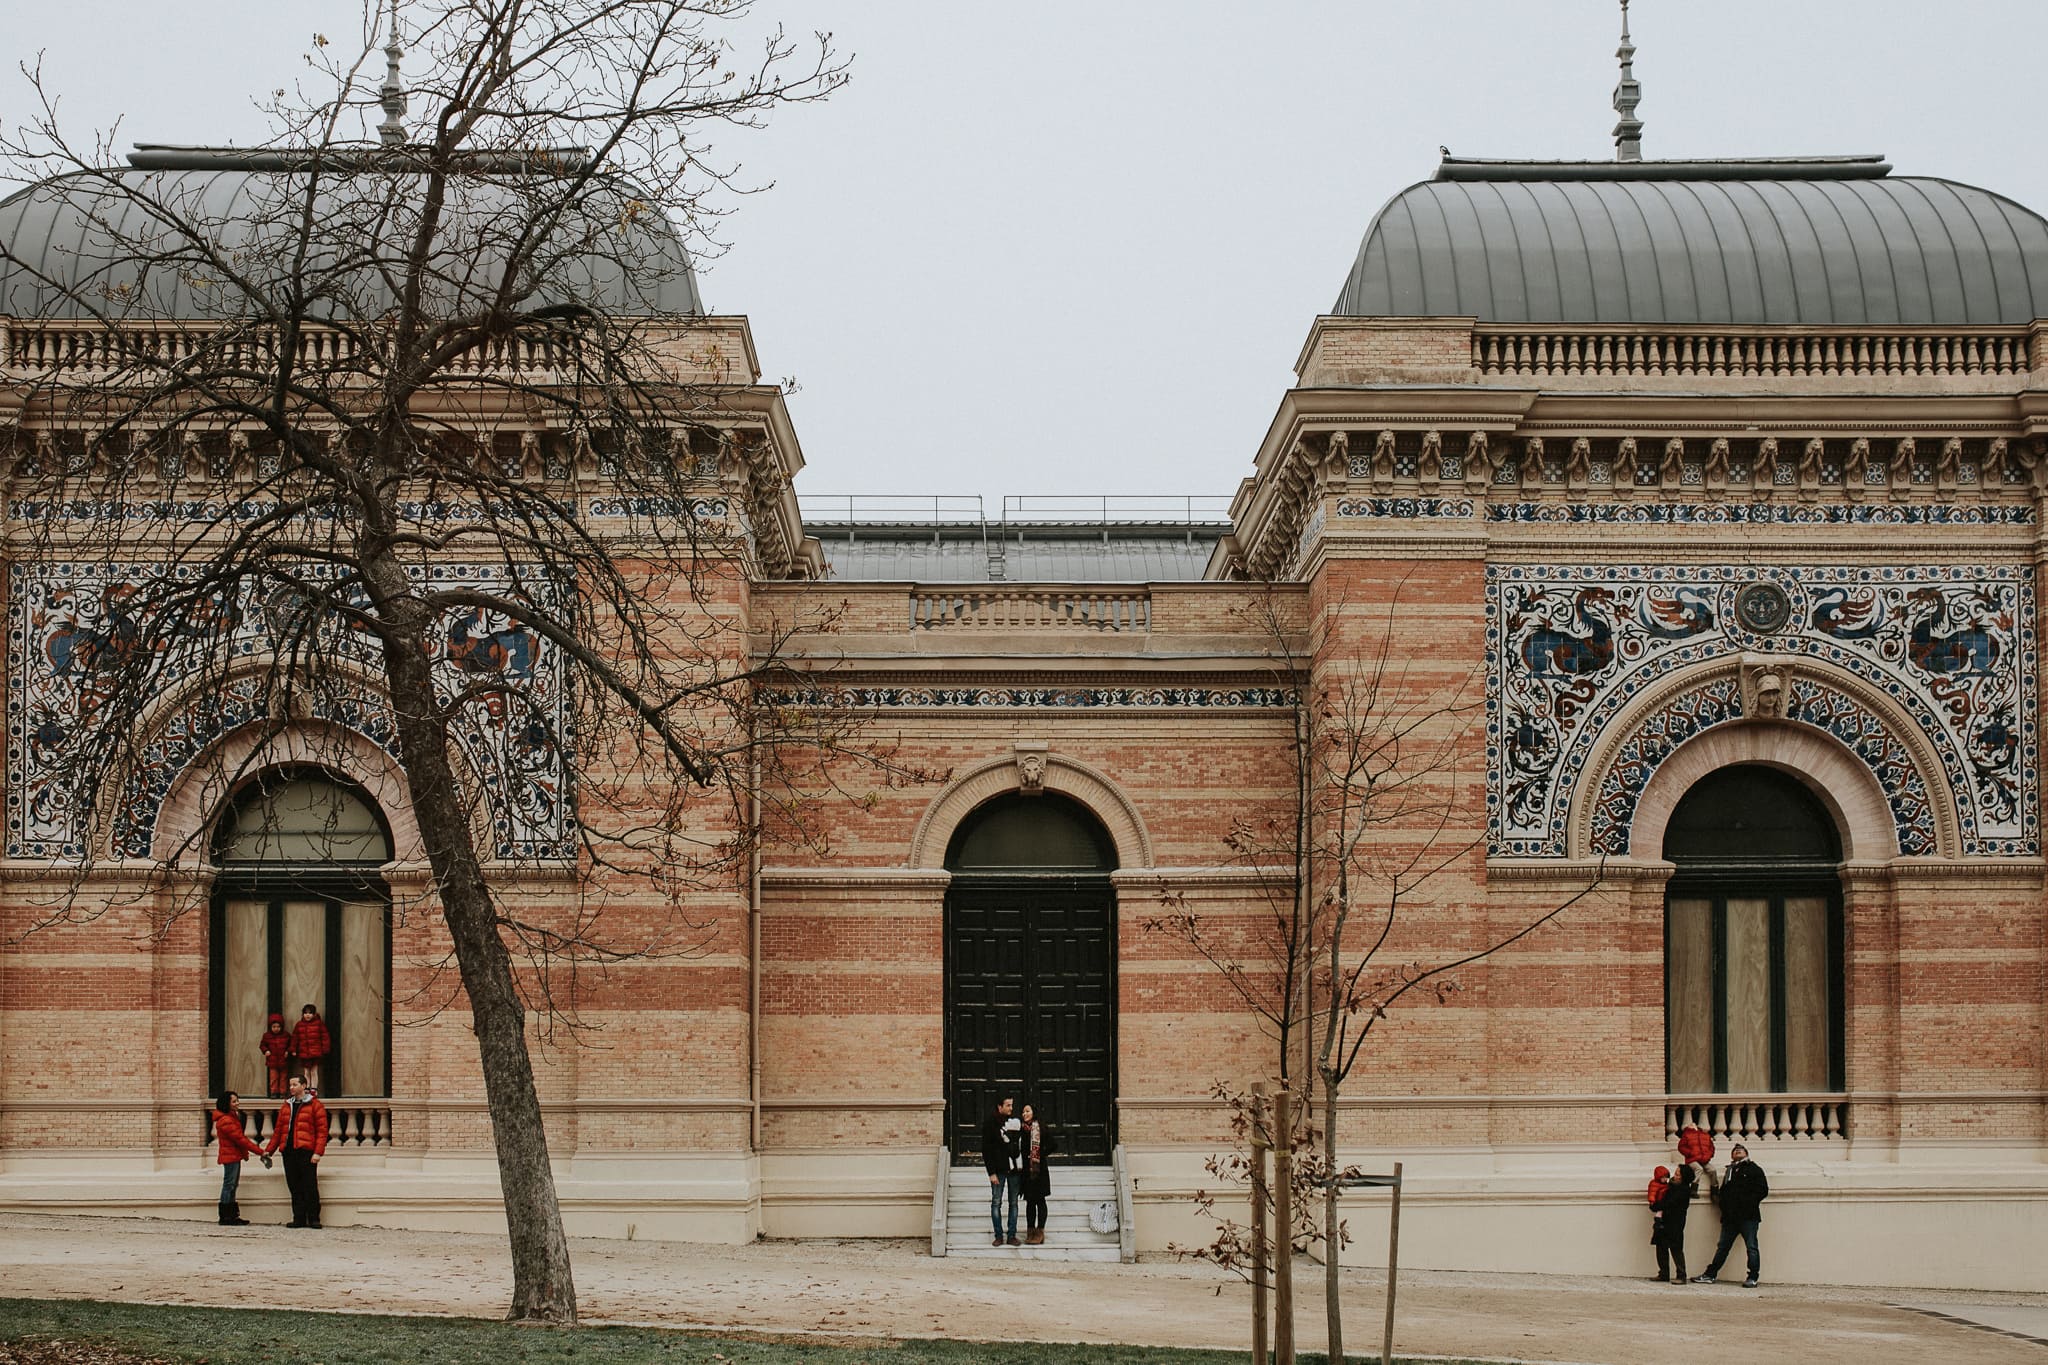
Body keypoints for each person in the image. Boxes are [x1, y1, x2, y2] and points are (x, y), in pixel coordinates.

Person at [1694, 1143, 1769, 1287]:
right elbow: (1725, 1191)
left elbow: (1763, 1190)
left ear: (1746, 1153)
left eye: (1740, 1150)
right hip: (1730, 1217)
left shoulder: (1754, 1169)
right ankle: (1710, 1274)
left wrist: (1747, 1203)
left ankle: (1752, 1277)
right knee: (1723, 1247)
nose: (1737, 1151)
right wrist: (1724, 1206)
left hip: (1748, 1216)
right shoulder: (1730, 1171)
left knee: (1751, 1247)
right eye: (1735, 1150)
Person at [265, 1074, 328, 1229]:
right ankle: (298, 1217)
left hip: (306, 1150)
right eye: (290, 1085)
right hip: (289, 1150)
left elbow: (322, 1131)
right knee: (294, 1185)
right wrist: (269, 1150)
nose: (291, 1087)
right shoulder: (287, 1105)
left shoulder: (315, 1105)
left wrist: (318, 1152)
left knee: (310, 1185)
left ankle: (313, 1218)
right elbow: (279, 1131)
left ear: (304, 1086)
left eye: (294, 1084)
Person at [211, 1090, 264, 1226]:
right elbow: (241, 1139)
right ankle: (227, 1216)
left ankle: (231, 1216)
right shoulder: (226, 1120)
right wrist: (259, 1151)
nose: (237, 1103)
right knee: (229, 1185)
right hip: (231, 1157)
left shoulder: (231, 1117)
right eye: (234, 1101)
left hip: (233, 1155)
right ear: (226, 1104)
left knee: (231, 1185)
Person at [981, 1096, 1022, 1247]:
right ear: (999, 1106)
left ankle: (1012, 1235)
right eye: (1008, 1105)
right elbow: (986, 1150)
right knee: (996, 1202)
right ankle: (998, 1235)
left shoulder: (1016, 1123)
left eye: (1012, 1105)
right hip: (998, 1169)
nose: (1011, 1108)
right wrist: (991, 1173)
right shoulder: (990, 1123)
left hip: (1014, 1170)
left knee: (1014, 1202)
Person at [1652, 1162, 1696, 1284]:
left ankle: (1681, 1275)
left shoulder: (1683, 1190)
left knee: (1676, 1248)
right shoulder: (1670, 1186)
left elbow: (1669, 1203)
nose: (1675, 1175)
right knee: (1661, 1247)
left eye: (1678, 1174)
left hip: (1675, 1222)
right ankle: (1663, 1273)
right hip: (1664, 1220)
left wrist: (1656, 1206)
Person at [1019, 1103, 1056, 1245]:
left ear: (1033, 1113)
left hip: (1039, 1171)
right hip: (1027, 1173)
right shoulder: (1021, 1129)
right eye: (1023, 1112)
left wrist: (1039, 1155)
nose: (1024, 1114)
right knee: (1029, 1202)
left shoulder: (1040, 1128)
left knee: (1040, 1201)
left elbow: (1053, 1145)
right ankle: (1030, 1231)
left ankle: (1040, 1232)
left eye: (1027, 1111)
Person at [290, 1003, 331, 1090]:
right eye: (305, 1013)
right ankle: (307, 1088)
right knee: (306, 1072)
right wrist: (293, 1049)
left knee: (314, 1071)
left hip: (315, 1053)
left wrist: (325, 1049)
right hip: (304, 1053)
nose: (307, 1015)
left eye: (310, 1013)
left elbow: (325, 1037)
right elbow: (295, 1038)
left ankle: (314, 1089)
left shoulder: (319, 1024)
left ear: (314, 1014)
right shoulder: (299, 1025)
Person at [258, 1014, 293, 1098]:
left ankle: (283, 1092)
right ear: (270, 1027)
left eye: (278, 1027)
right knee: (273, 1078)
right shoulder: (267, 1036)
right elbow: (262, 1045)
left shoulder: (286, 1035)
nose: (276, 1029)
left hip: (283, 1060)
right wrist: (265, 1050)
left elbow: (291, 1044)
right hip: (272, 1061)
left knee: (283, 1078)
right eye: (274, 1027)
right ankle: (274, 1092)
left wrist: (288, 1051)